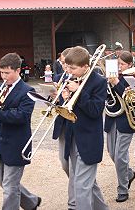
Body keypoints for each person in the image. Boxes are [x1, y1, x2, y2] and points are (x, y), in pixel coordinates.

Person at [0, 52, 41, 210]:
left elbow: (22, 116)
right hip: (2, 142)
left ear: (18, 71)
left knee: (10, 187)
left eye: (7, 73)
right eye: (2, 72)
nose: (4, 76)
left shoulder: (28, 91)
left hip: (18, 143)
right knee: (2, 180)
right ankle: (31, 202)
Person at [62, 46, 109, 210]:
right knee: (87, 182)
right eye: (68, 67)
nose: (69, 71)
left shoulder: (99, 82)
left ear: (86, 67)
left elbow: (95, 111)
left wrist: (79, 93)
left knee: (81, 186)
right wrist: (64, 98)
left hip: (89, 139)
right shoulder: (72, 79)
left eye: (73, 68)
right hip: (74, 137)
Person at [105, 50, 135, 203]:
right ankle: (129, 173)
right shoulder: (111, 77)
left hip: (126, 120)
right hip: (112, 119)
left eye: (122, 64)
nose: (119, 67)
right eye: (117, 64)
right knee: (112, 153)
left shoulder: (132, 78)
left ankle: (122, 188)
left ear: (130, 64)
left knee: (120, 156)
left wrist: (116, 83)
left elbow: (130, 99)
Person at [51, 47, 76, 210]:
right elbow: (57, 104)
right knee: (64, 163)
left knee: (74, 166)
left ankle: (73, 202)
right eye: (63, 64)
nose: (65, 68)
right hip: (62, 126)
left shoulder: (79, 79)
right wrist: (54, 97)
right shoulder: (60, 77)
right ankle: (81, 185)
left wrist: (69, 96)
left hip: (74, 126)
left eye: (67, 65)